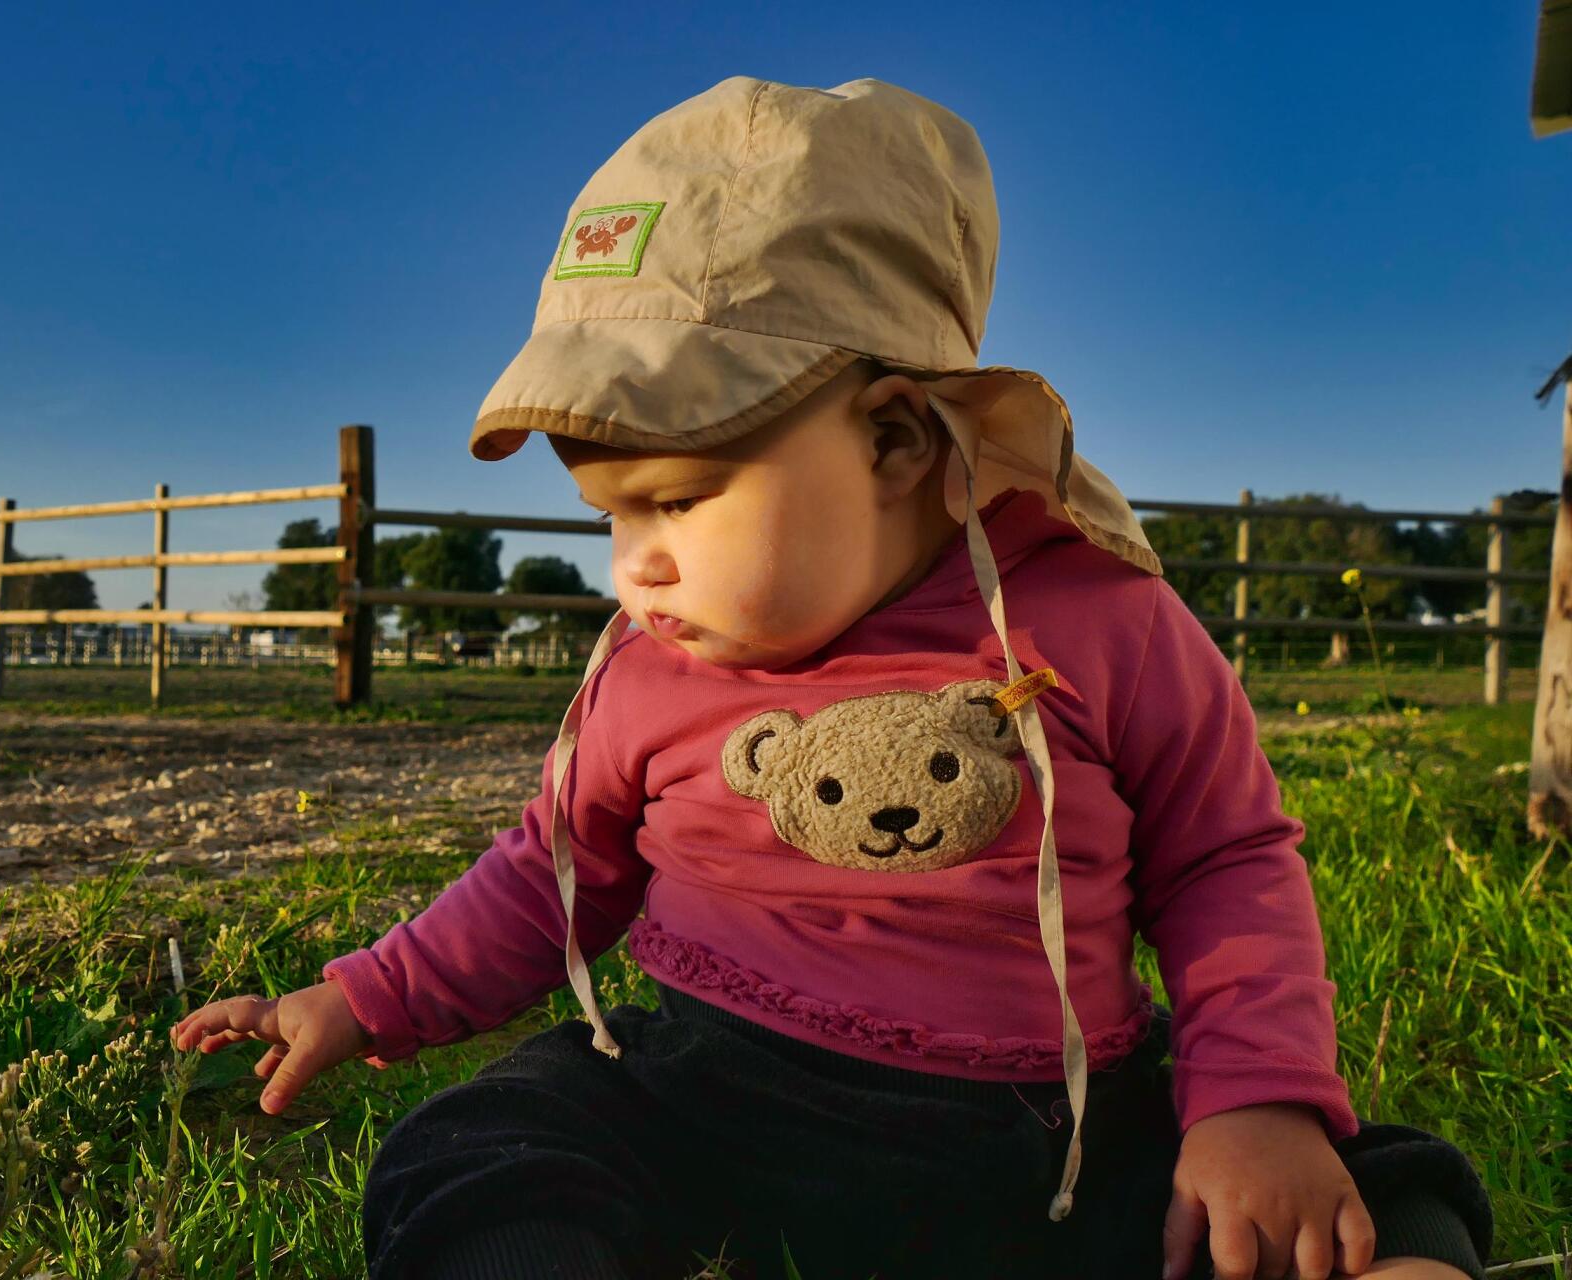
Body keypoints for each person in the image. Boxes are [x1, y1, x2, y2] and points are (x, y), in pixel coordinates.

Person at [170, 77, 1493, 1280]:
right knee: (483, 1148)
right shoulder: (643, 668)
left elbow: (1225, 861)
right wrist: (362, 996)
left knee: (1380, 1189)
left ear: (898, 438)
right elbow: (547, 870)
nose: (641, 570)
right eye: (613, 518)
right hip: (710, 1100)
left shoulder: (1100, 620)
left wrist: (1256, 1099)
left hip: (1052, 1137)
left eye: (680, 499)